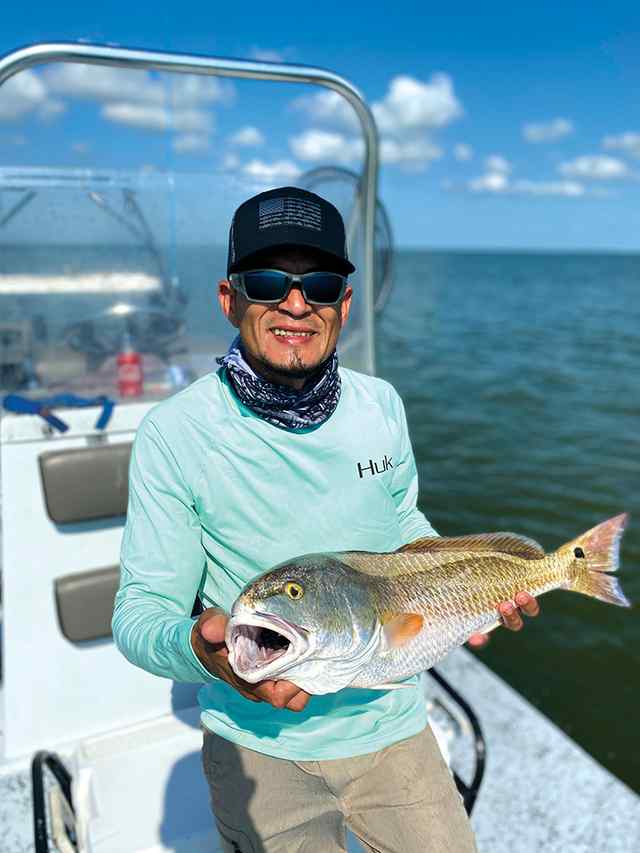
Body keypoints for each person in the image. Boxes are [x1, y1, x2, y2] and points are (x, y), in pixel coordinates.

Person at [113, 186, 540, 853]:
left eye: (318, 282)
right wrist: (201, 648)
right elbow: (139, 614)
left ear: (343, 302)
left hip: (393, 722)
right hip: (258, 744)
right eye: (267, 281)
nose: (294, 302)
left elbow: (404, 525)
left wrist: (470, 591)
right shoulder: (176, 432)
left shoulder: (381, 406)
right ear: (229, 298)